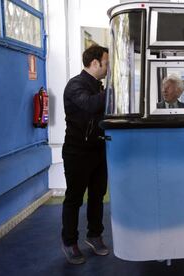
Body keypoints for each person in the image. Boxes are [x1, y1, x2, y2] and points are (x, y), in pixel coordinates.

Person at [61, 45, 110, 265]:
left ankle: (94, 235)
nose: (108, 67)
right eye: (106, 63)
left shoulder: (98, 87)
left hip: (98, 149)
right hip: (77, 152)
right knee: (74, 198)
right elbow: (90, 106)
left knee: (97, 196)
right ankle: (70, 241)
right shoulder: (76, 85)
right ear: (94, 63)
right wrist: (114, 90)